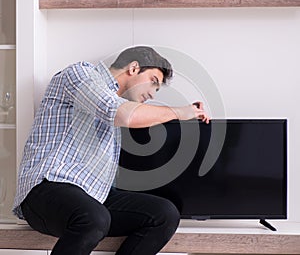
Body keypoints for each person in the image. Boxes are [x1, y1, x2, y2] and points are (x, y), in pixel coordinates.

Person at [13, 46, 210, 255]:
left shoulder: (119, 115)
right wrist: (180, 112)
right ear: (134, 68)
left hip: (93, 196)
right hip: (46, 189)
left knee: (164, 214)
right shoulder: (80, 74)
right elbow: (119, 113)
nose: (153, 93)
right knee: (93, 217)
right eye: (153, 81)